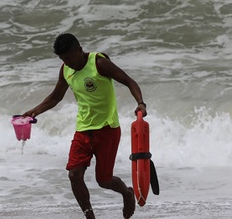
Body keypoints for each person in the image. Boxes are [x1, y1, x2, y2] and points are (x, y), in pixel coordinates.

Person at [22, 33, 146, 219]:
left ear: (80, 50)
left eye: (71, 58)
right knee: (74, 174)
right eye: (64, 60)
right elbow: (56, 97)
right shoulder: (65, 70)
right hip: (83, 129)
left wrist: (141, 103)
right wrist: (34, 111)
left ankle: (127, 193)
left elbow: (129, 81)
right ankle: (89, 216)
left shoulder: (98, 63)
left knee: (104, 181)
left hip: (107, 129)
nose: (69, 63)